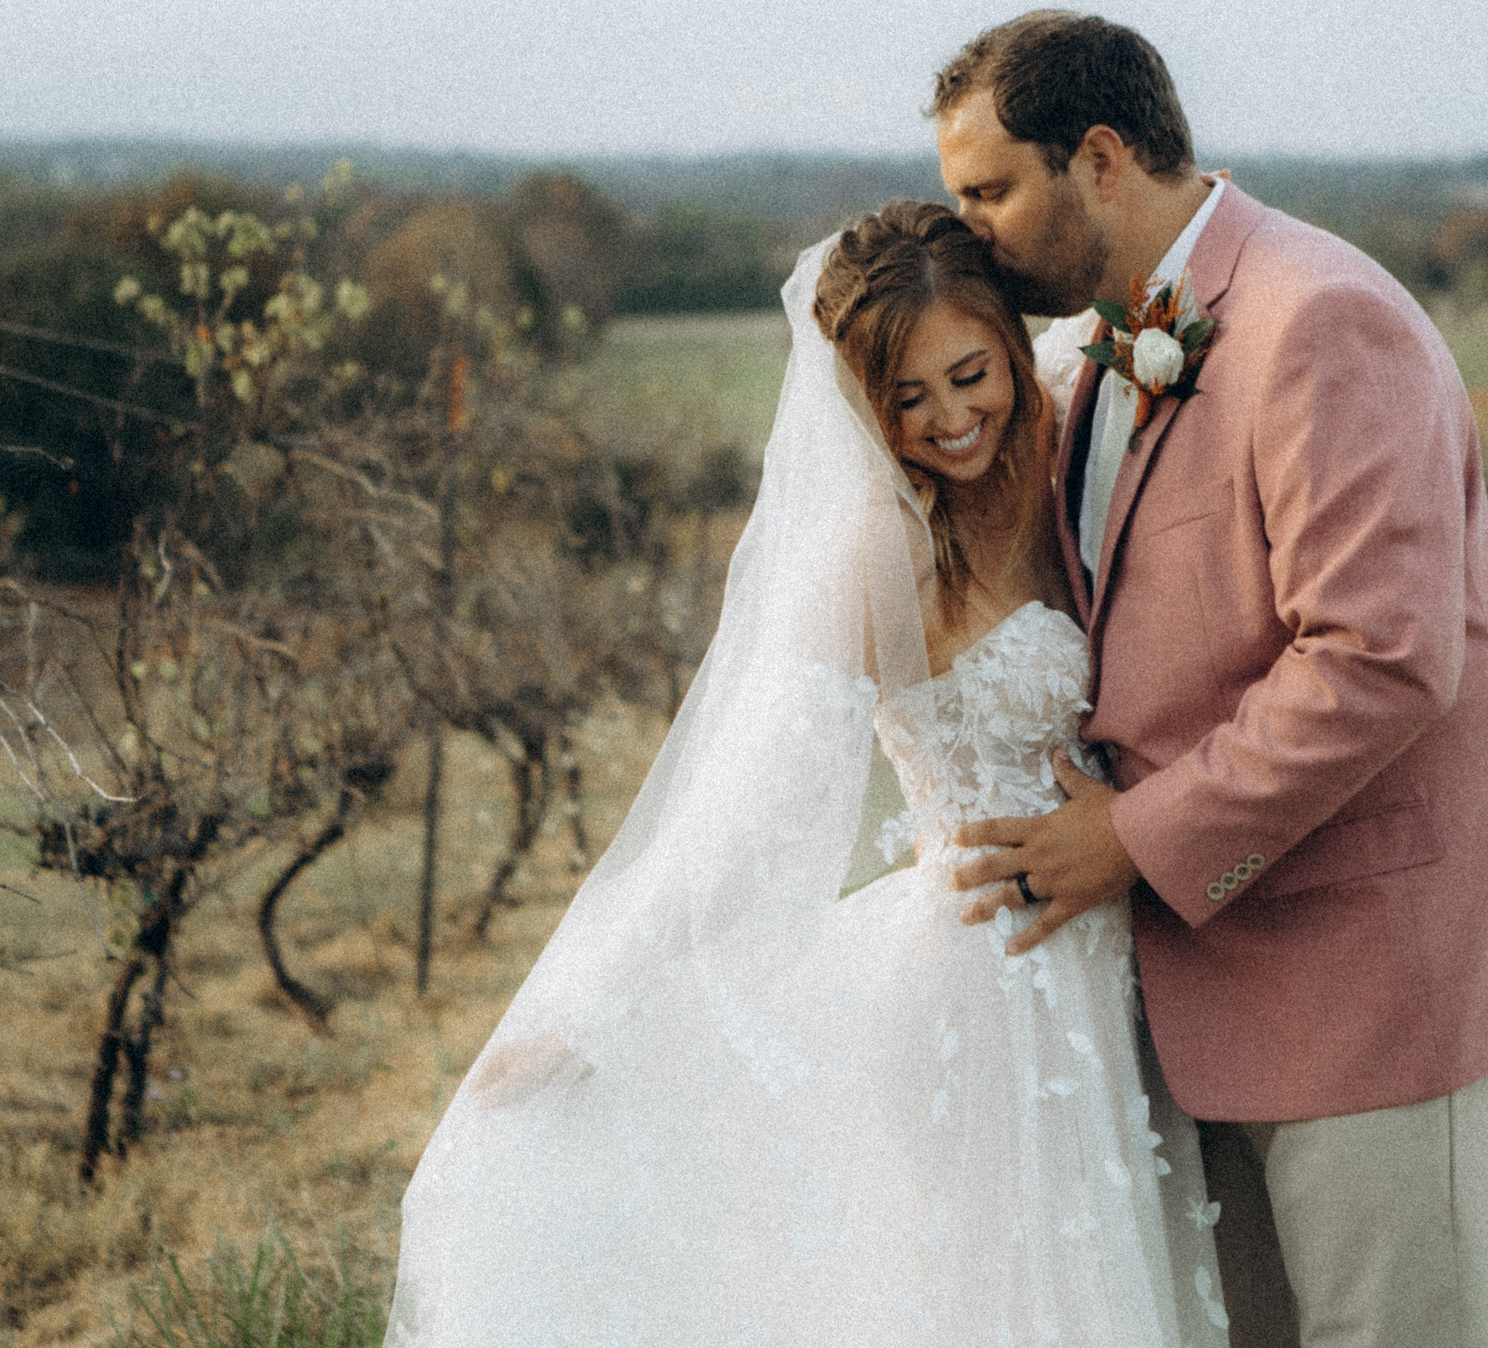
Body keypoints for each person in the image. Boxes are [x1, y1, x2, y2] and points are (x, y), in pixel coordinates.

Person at [384, 202, 1230, 1346]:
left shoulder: (1070, 443)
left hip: (1102, 976)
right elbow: (753, 810)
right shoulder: (871, 553)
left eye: (969, 374)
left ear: (1009, 343)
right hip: (981, 1004)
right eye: (904, 400)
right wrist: (590, 1017)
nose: (949, 420)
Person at [929, 11, 1488, 1348]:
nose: (971, 231)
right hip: (1208, 981)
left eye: (990, 190)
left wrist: (1128, 837)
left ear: (1101, 155)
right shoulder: (1092, 354)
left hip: (1376, 976)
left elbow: (1379, 657)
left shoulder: (1322, 319)